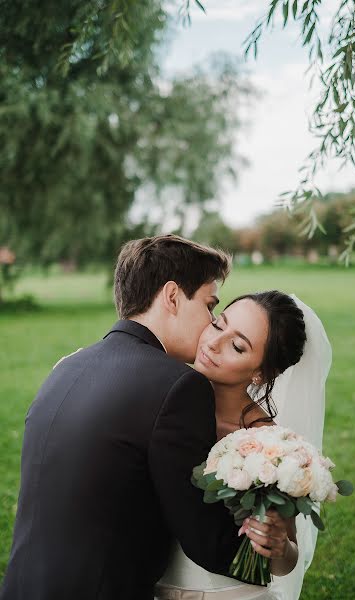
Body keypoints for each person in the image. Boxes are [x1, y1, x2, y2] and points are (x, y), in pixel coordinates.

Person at [0, 235, 275, 600]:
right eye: (210, 306)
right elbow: (207, 541)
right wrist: (272, 555)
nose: (210, 323)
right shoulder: (179, 386)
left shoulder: (66, 367)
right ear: (173, 296)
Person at [156, 291, 331, 600]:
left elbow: (285, 561)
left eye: (237, 346)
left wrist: (277, 544)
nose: (213, 343)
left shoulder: (268, 444)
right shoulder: (163, 393)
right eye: (218, 325)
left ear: (260, 373)